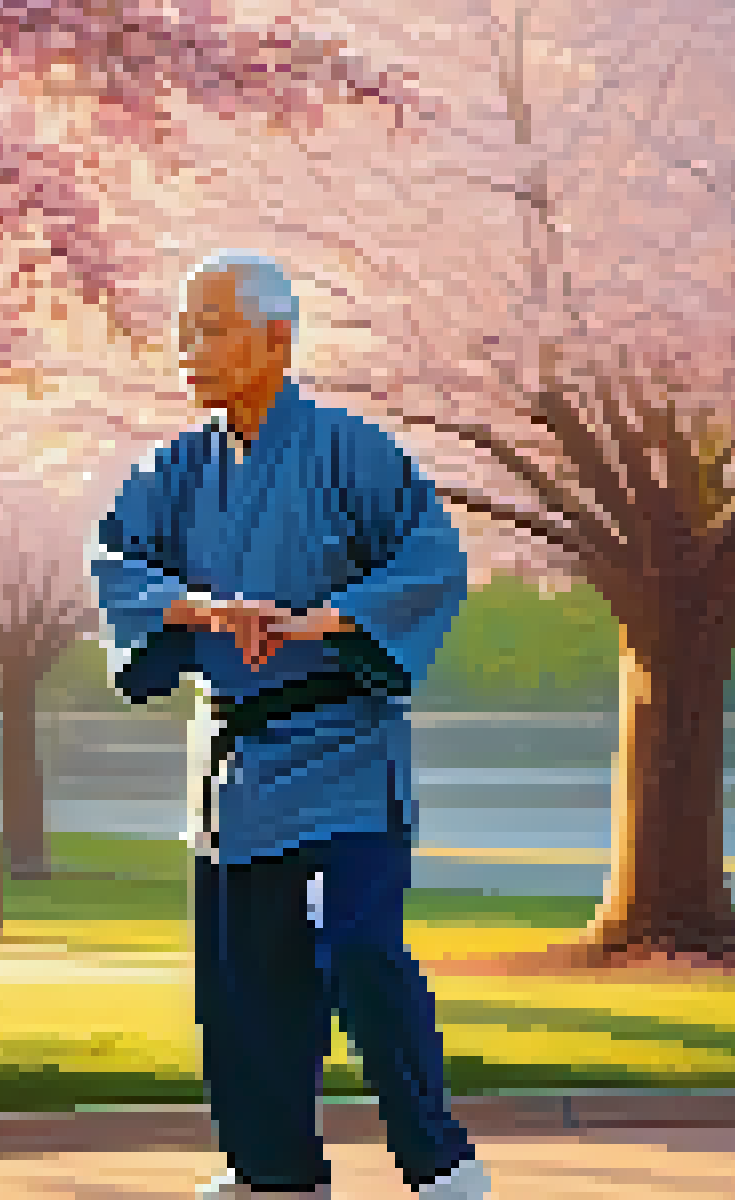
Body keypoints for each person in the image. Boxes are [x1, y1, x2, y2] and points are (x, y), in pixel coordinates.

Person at [88, 252, 489, 1198]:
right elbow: (118, 565)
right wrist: (199, 611)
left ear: (278, 339)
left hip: (348, 745)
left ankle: (437, 1158)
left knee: (359, 945)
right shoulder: (173, 470)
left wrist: (325, 620)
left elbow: (431, 561)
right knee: (246, 981)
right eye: (186, 329)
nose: (193, 349)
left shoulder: (353, 451)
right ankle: (273, 1171)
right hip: (237, 763)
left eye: (214, 327)